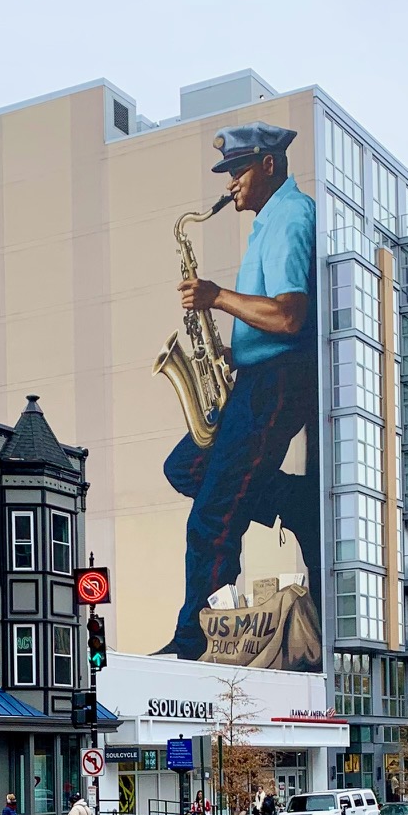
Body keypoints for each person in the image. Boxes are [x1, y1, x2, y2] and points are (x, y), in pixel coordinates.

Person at [158, 122, 319, 660]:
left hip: (278, 383)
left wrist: (216, 297)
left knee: (211, 518)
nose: (230, 183)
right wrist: (231, 350)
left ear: (269, 165)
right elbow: (270, 317)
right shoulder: (269, 222)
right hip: (255, 375)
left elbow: (292, 316)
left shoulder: (291, 218)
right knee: (183, 468)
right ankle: (292, 502)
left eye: (238, 170)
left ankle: (190, 644)